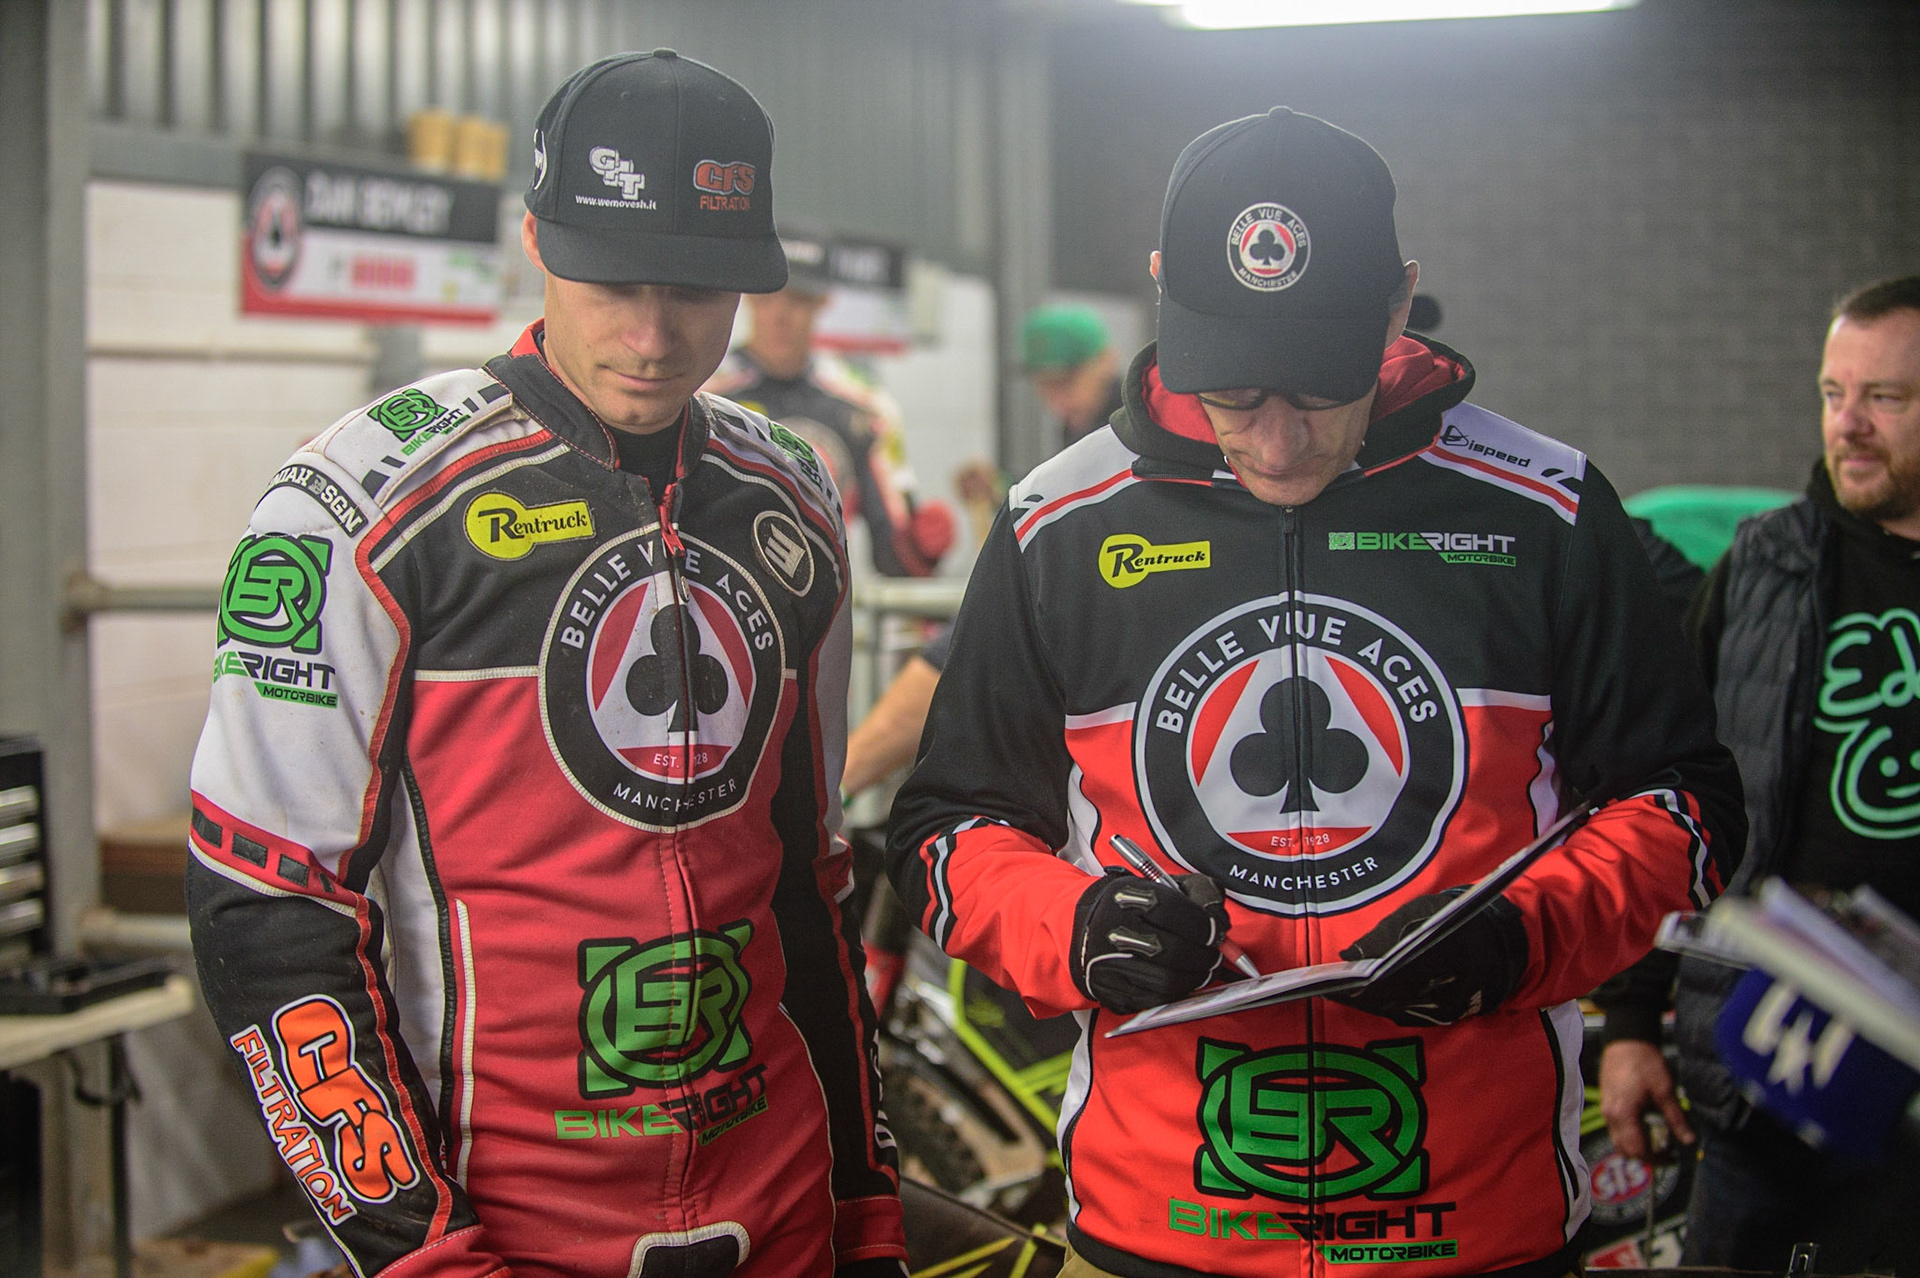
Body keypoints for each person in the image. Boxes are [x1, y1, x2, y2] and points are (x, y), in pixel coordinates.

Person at [885, 106, 1743, 1278]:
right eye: (1236, 397)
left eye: (1319, 393)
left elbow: (1684, 811)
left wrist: (1521, 935)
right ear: (1160, 295)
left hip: (1477, 1226)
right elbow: (946, 831)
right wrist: (1076, 928)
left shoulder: (1543, 510)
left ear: (1398, 305)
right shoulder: (1055, 524)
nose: (1280, 446)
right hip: (1155, 1224)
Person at [186, 50, 906, 1278]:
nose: (653, 333)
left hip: (778, 1204)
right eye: (610, 279)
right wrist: (418, 1246)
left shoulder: (789, 490)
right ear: (534, 238)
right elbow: (268, 909)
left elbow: (808, 878)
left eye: (698, 287)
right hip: (503, 1224)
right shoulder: (356, 508)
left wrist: (864, 1203)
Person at [1594, 275, 1920, 1274]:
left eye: (1888, 399)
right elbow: (1672, 801)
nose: (1850, 425)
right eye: (1833, 393)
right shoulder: (1764, 567)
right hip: (1765, 1064)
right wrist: (1633, 1022)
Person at [704, 229, 953, 579]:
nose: (780, 315)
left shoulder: (867, 407)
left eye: (798, 300)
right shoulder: (703, 395)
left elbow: (893, 553)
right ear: (747, 297)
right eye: (768, 297)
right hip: (721, 598)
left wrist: (919, 545)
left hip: (821, 608)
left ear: (823, 303)